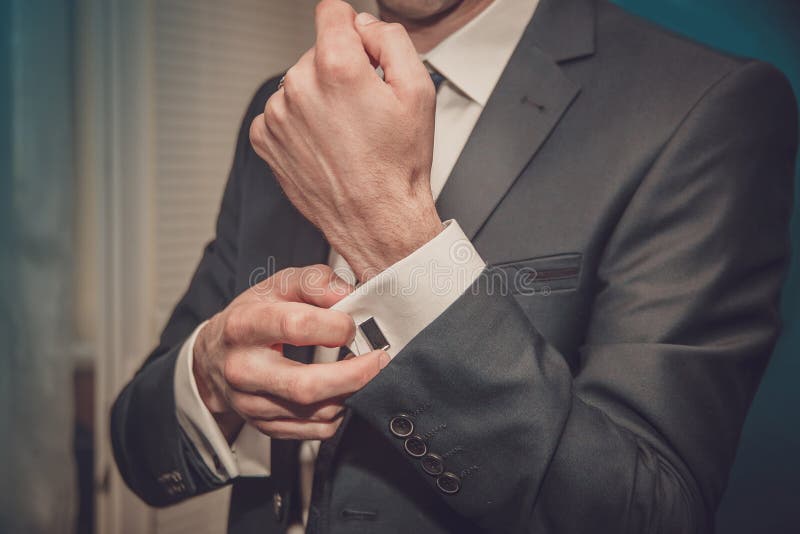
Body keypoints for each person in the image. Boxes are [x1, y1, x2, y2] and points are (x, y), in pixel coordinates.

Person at [110, 0, 798, 532]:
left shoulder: (703, 108)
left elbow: (651, 515)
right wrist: (208, 378)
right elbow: (137, 448)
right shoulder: (283, 111)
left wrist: (389, 233)